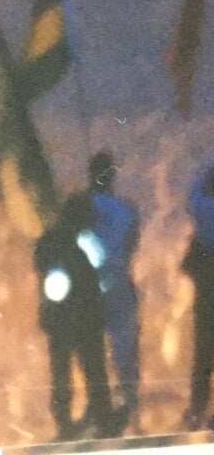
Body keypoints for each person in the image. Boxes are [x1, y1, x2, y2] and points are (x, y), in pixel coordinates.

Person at [37, 190, 116, 440]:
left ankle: (66, 422)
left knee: (62, 374)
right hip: (82, 319)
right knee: (93, 370)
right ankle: (101, 418)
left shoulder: (50, 242)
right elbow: (90, 279)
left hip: (60, 320)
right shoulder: (75, 245)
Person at [89, 151, 142, 426]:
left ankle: (99, 407)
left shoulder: (80, 208)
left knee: (93, 350)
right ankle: (129, 405)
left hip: (89, 289)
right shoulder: (127, 209)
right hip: (120, 283)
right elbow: (132, 244)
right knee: (125, 347)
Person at [183, 159, 214, 425]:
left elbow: (191, 197)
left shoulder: (203, 207)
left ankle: (197, 408)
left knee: (203, 351)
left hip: (207, 287)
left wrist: (207, 166)